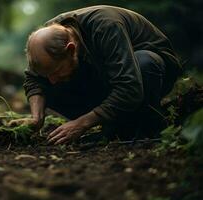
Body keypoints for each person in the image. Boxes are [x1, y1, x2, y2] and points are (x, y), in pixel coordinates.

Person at [13, 5, 182, 144]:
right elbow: (33, 79)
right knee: (49, 86)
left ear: (70, 49)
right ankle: (115, 127)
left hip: (149, 75)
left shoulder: (105, 26)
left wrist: (82, 123)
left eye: (56, 71)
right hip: (106, 76)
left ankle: (148, 126)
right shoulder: (48, 37)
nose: (52, 79)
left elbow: (130, 87)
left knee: (144, 62)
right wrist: (37, 118)